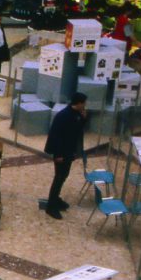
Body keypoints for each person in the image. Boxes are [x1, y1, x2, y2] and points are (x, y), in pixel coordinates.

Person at [43, 92, 87, 220]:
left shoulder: (77, 114)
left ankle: (56, 199)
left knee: (64, 175)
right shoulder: (63, 116)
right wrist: (58, 155)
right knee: (59, 177)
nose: (85, 106)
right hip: (61, 153)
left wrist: (84, 119)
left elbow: (77, 130)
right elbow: (55, 136)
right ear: (78, 103)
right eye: (83, 103)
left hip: (69, 152)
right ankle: (51, 206)